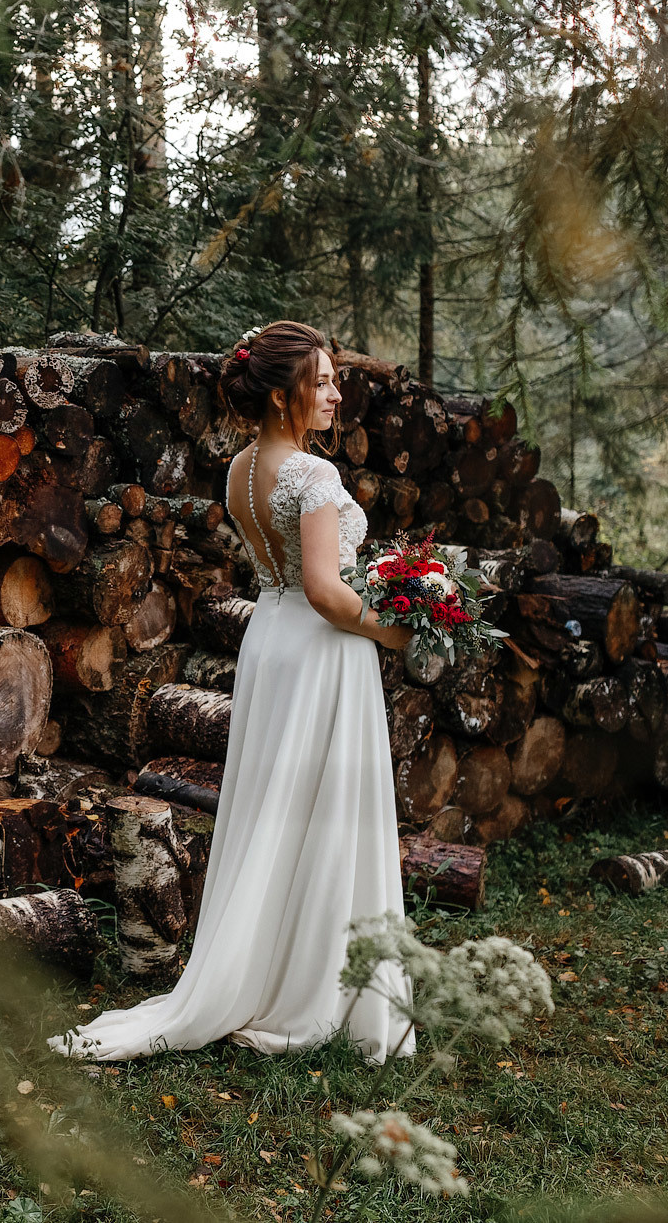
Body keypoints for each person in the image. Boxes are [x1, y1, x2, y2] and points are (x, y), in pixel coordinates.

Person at [49, 321, 419, 1066]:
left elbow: (286, 577)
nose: (335, 392)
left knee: (276, 814)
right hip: (320, 649)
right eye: (321, 381)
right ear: (284, 393)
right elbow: (323, 589)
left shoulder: (242, 470)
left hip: (270, 641)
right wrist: (392, 631)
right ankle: (317, 992)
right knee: (323, 814)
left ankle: (270, 969)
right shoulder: (315, 478)